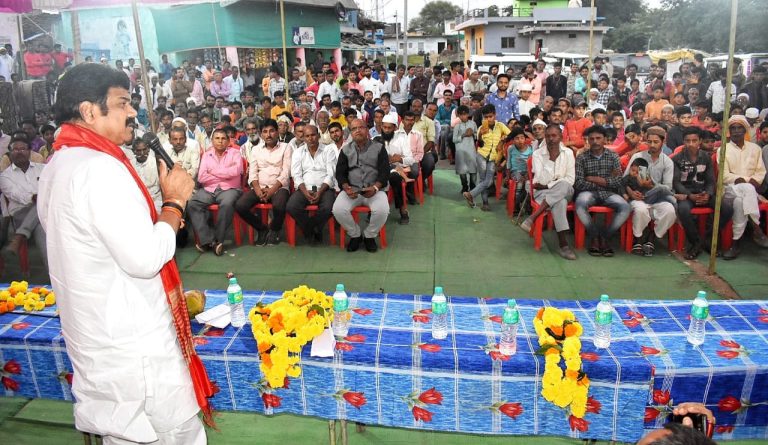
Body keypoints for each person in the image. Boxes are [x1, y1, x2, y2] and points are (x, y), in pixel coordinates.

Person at [38, 62, 212, 444]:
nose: (133, 112)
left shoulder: (57, 165)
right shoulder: (99, 169)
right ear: (89, 111)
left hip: (99, 341)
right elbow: (145, 259)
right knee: (177, 435)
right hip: (136, 348)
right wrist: (174, 203)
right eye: (122, 103)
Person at [672, 126, 733, 260]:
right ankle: (696, 242)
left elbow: (711, 180)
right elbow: (676, 183)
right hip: (686, 195)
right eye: (687, 141)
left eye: (694, 140)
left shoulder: (706, 157)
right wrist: (690, 195)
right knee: (683, 210)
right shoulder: (677, 159)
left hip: (703, 193)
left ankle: (706, 238)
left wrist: (708, 194)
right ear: (683, 141)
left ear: (700, 141)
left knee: (727, 209)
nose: (691, 144)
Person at [332, 118, 390, 252]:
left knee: (382, 210)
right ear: (351, 132)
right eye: (354, 129)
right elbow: (340, 173)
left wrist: (375, 187)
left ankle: (370, 235)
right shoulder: (345, 150)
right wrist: (346, 188)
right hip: (353, 190)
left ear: (367, 130)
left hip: (375, 189)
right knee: (338, 209)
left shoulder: (379, 148)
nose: (357, 131)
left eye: (361, 127)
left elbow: (385, 172)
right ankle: (355, 234)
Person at [520, 124, 577, 260]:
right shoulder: (538, 154)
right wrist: (551, 159)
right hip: (544, 194)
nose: (551, 139)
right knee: (560, 202)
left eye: (554, 136)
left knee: (564, 185)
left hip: (564, 190)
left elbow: (570, 180)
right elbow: (539, 180)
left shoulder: (568, 153)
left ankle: (533, 217)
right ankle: (563, 245)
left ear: (561, 137)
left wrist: (548, 185)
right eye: (548, 136)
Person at [574, 125, 631, 256]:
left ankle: (605, 237)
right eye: (591, 139)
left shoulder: (613, 156)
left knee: (625, 207)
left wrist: (593, 178)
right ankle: (594, 236)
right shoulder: (582, 158)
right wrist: (606, 182)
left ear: (605, 139)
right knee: (580, 203)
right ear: (588, 140)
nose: (595, 141)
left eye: (598, 138)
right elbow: (579, 183)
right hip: (589, 193)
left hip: (609, 194)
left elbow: (618, 181)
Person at [235, 118, 292, 246]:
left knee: (279, 205)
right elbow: (253, 173)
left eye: (272, 131)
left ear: (277, 132)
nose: (268, 135)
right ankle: (262, 229)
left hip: (279, 187)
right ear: (261, 134)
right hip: (259, 187)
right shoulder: (256, 150)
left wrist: (271, 191)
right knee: (240, 205)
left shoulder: (286, 147)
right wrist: (258, 190)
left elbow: (286, 173)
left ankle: (274, 229)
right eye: (265, 132)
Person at [187, 128, 244, 255]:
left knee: (227, 203)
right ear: (212, 141)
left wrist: (213, 171)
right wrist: (225, 174)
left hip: (230, 188)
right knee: (193, 204)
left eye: (223, 138)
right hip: (209, 189)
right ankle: (209, 241)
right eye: (217, 138)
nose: (220, 141)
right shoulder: (207, 155)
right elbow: (201, 177)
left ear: (228, 141)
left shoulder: (235, 153)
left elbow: (235, 171)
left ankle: (218, 239)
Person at [623, 126, 677, 256]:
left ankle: (653, 236)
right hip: (638, 196)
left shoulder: (667, 162)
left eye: (656, 142)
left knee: (670, 211)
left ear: (663, 142)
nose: (652, 145)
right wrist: (630, 193)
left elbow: (668, 187)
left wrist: (653, 186)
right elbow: (624, 179)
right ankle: (638, 238)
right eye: (649, 141)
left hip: (658, 198)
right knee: (641, 210)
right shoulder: (637, 156)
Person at [720, 115, 768, 259]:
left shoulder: (755, 149)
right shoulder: (723, 149)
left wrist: (751, 181)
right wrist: (745, 181)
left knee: (740, 202)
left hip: (748, 193)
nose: (736, 131)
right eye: (733, 128)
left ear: (745, 130)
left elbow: (760, 172)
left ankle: (736, 244)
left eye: (739, 128)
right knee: (747, 188)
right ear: (729, 131)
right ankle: (756, 228)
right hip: (729, 189)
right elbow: (724, 175)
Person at [0, 136, 47, 268]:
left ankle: (19, 236)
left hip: (46, 212)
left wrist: (40, 198)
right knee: (39, 222)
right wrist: (36, 197)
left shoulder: (43, 169)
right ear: (9, 153)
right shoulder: (4, 176)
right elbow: (16, 195)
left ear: (29, 151)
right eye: (15, 149)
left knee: (40, 216)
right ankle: (53, 273)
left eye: (23, 149)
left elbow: (52, 189)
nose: (19, 152)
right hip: (20, 214)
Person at [286, 124, 336, 245]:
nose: (310, 138)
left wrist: (320, 192)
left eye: (313, 135)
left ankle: (309, 229)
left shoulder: (328, 150)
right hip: (304, 188)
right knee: (291, 206)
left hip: (325, 188)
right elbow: (296, 175)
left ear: (318, 135)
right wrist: (305, 192)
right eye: (307, 136)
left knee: (329, 207)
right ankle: (314, 230)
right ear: (303, 138)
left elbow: (331, 174)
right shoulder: (298, 152)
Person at [463, 104, 510, 211]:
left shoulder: (500, 126)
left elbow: (510, 135)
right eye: (486, 117)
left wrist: (503, 140)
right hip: (482, 155)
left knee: (488, 181)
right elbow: (479, 144)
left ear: (495, 115)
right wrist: (480, 135)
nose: (488, 119)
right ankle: (485, 203)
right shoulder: (481, 128)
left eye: (490, 116)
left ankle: (470, 194)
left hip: (493, 157)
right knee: (483, 180)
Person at [376, 114, 417, 224]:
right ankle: (373, 211)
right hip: (379, 170)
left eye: (389, 128)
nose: (386, 130)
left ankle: (402, 210)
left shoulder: (401, 139)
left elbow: (411, 160)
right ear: (381, 127)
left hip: (396, 170)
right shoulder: (375, 139)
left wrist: (399, 159)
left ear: (395, 128)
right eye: (384, 127)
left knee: (395, 178)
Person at [130, 139, 162, 213]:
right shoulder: (130, 164)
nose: (142, 153)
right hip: (139, 200)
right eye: (138, 151)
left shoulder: (155, 163)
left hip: (156, 199)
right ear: (133, 151)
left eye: (144, 150)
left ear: (148, 149)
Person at [453, 105, 478, 193]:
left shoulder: (473, 124)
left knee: (473, 171)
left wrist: (473, 134)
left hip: (471, 150)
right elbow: (454, 139)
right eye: (461, 115)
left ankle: (473, 186)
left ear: (468, 114)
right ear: (458, 115)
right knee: (462, 172)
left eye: (465, 114)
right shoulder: (457, 126)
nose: (463, 116)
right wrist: (464, 135)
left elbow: (477, 136)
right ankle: (464, 186)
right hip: (460, 151)